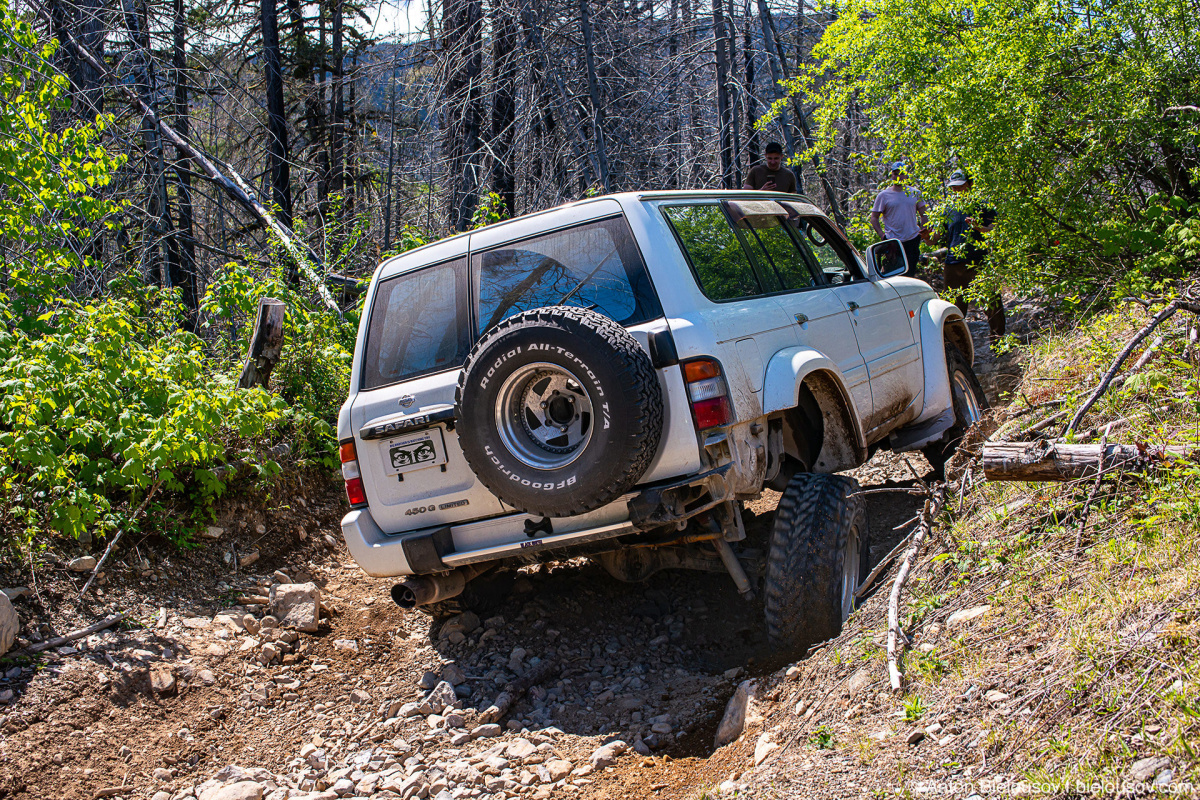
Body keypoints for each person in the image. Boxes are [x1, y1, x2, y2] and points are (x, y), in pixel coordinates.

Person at [928, 169, 1005, 340]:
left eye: (960, 186)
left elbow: (995, 230)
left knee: (992, 304)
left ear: (969, 184)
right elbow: (936, 238)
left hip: (979, 262)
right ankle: (955, 348)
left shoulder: (982, 206)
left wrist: (980, 228)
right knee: (953, 308)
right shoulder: (947, 209)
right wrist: (927, 238)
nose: (957, 191)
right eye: (954, 188)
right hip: (953, 265)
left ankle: (999, 343)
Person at [870, 161, 927, 275]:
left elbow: (924, 214)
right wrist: (883, 236)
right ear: (891, 175)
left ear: (906, 175)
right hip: (893, 242)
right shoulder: (884, 195)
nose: (898, 176)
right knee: (893, 274)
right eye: (895, 173)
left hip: (912, 240)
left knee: (910, 274)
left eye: (901, 173)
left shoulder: (915, 193)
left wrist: (922, 232)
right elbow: (874, 218)